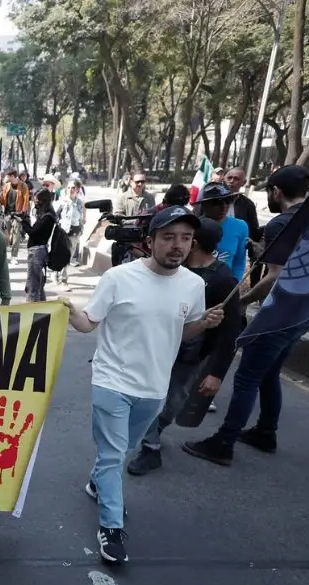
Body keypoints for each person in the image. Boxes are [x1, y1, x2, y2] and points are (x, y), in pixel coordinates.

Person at [62, 206, 223, 563]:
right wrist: (73, 313)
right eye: (168, 237)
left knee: (122, 448)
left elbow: (182, 332)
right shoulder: (119, 278)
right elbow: (90, 323)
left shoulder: (195, 285)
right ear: (150, 242)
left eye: (185, 238)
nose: (177, 245)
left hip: (153, 388)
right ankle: (111, 528)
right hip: (111, 381)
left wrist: (205, 324)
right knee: (112, 454)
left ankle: (96, 483)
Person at [183, 165, 309, 464]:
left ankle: (224, 442)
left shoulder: (283, 223)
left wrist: (240, 301)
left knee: (246, 378)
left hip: (281, 313)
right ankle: (265, 432)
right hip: (307, 313)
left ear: (276, 192)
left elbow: (274, 277)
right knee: (268, 372)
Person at [125, 217, 241, 475]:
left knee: (171, 404)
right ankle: (150, 447)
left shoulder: (222, 281)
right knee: (151, 400)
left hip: (188, 356)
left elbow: (231, 330)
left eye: (185, 238)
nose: (177, 244)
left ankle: (151, 433)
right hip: (155, 351)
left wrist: (216, 373)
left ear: (194, 243)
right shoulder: (173, 270)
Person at [193, 182, 249, 282]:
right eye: (216, 202)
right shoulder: (193, 226)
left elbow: (239, 261)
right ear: (204, 204)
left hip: (224, 287)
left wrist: (234, 285)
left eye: (228, 201)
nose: (223, 207)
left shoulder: (240, 226)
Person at [224, 167, 263, 287]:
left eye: (236, 179)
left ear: (243, 183)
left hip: (236, 249)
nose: (232, 181)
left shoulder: (248, 205)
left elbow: (253, 230)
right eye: (229, 178)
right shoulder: (211, 200)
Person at [23, 188, 57, 302]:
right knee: (38, 283)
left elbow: (33, 233)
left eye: (37, 201)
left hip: (37, 252)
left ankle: (32, 311)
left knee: (33, 286)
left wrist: (23, 223)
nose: (35, 204)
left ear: (43, 201)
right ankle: (42, 310)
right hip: (38, 250)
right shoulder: (45, 215)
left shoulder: (47, 217)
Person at [56, 180, 86, 281]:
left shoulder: (80, 203)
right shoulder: (61, 202)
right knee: (62, 255)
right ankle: (63, 278)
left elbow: (81, 219)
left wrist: (81, 230)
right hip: (63, 232)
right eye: (68, 188)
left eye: (73, 188)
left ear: (77, 190)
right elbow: (54, 217)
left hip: (74, 233)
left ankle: (58, 273)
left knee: (69, 256)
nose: (70, 190)